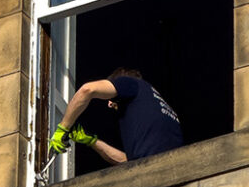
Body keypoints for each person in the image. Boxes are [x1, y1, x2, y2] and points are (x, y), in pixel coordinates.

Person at [48, 67, 182, 166]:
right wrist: (92, 141)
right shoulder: (160, 111)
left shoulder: (132, 83)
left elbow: (87, 90)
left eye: (112, 98)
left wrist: (63, 128)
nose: (110, 104)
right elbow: (126, 161)